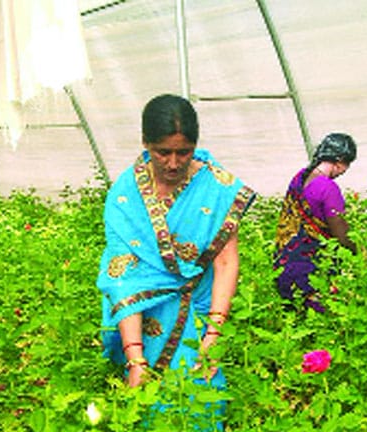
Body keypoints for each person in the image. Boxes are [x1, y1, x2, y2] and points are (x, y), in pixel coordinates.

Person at [96, 94, 256, 404]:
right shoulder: (125, 195)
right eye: (162, 152)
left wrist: (212, 339)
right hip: (143, 321)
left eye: (183, 152)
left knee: (202, 403)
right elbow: (123, 279)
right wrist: (135, 359)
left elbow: (225, 264)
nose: (172, 163)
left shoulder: (217, 187)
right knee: (147, 409)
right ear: (145, 143)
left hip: (198, 311)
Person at [274, 133, 358, 312]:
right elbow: (342, 235)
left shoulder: (300, 177)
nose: (344, 171)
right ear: (339, 161)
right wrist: (361, 253)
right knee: (321, 325)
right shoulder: (328, 189)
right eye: (346, 166)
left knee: (294, 325)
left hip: (284, 265)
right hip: (312, 273)